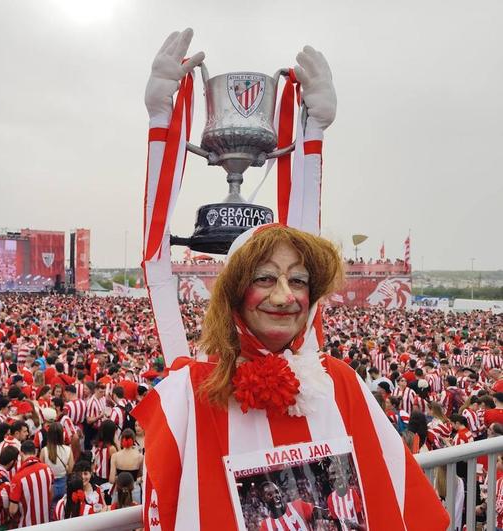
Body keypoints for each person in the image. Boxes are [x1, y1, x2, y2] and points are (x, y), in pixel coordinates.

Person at [135, 36, 449, 526]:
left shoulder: (338, 383)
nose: (285, 296)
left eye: (298, 281)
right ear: (235, 292)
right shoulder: (196, 388)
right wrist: (161, 121)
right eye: (265, 278)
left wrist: (314, 133)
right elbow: (156, 265)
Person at [7, 440, 54, 527]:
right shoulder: (47, 469)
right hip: (46, 523)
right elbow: (51, 492)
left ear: (21, 453)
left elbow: (13, 510)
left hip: (27, 525)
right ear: (35, 452)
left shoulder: (18, 477)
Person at [39, 422, 74, 506]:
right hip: (64, 484)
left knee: (51, 509)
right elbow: (70, 470)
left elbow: (41, 471)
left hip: (50, 485)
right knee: (62, 508)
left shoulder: (44, 450)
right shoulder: (68, 450)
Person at [108, 428, 143, 502]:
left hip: (119, 489)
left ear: (121, 441)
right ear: (133, 440)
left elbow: (111, 480)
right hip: (134, 489)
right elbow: (140, 476)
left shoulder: (115, 456)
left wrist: (119, 478)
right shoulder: (140, 457)